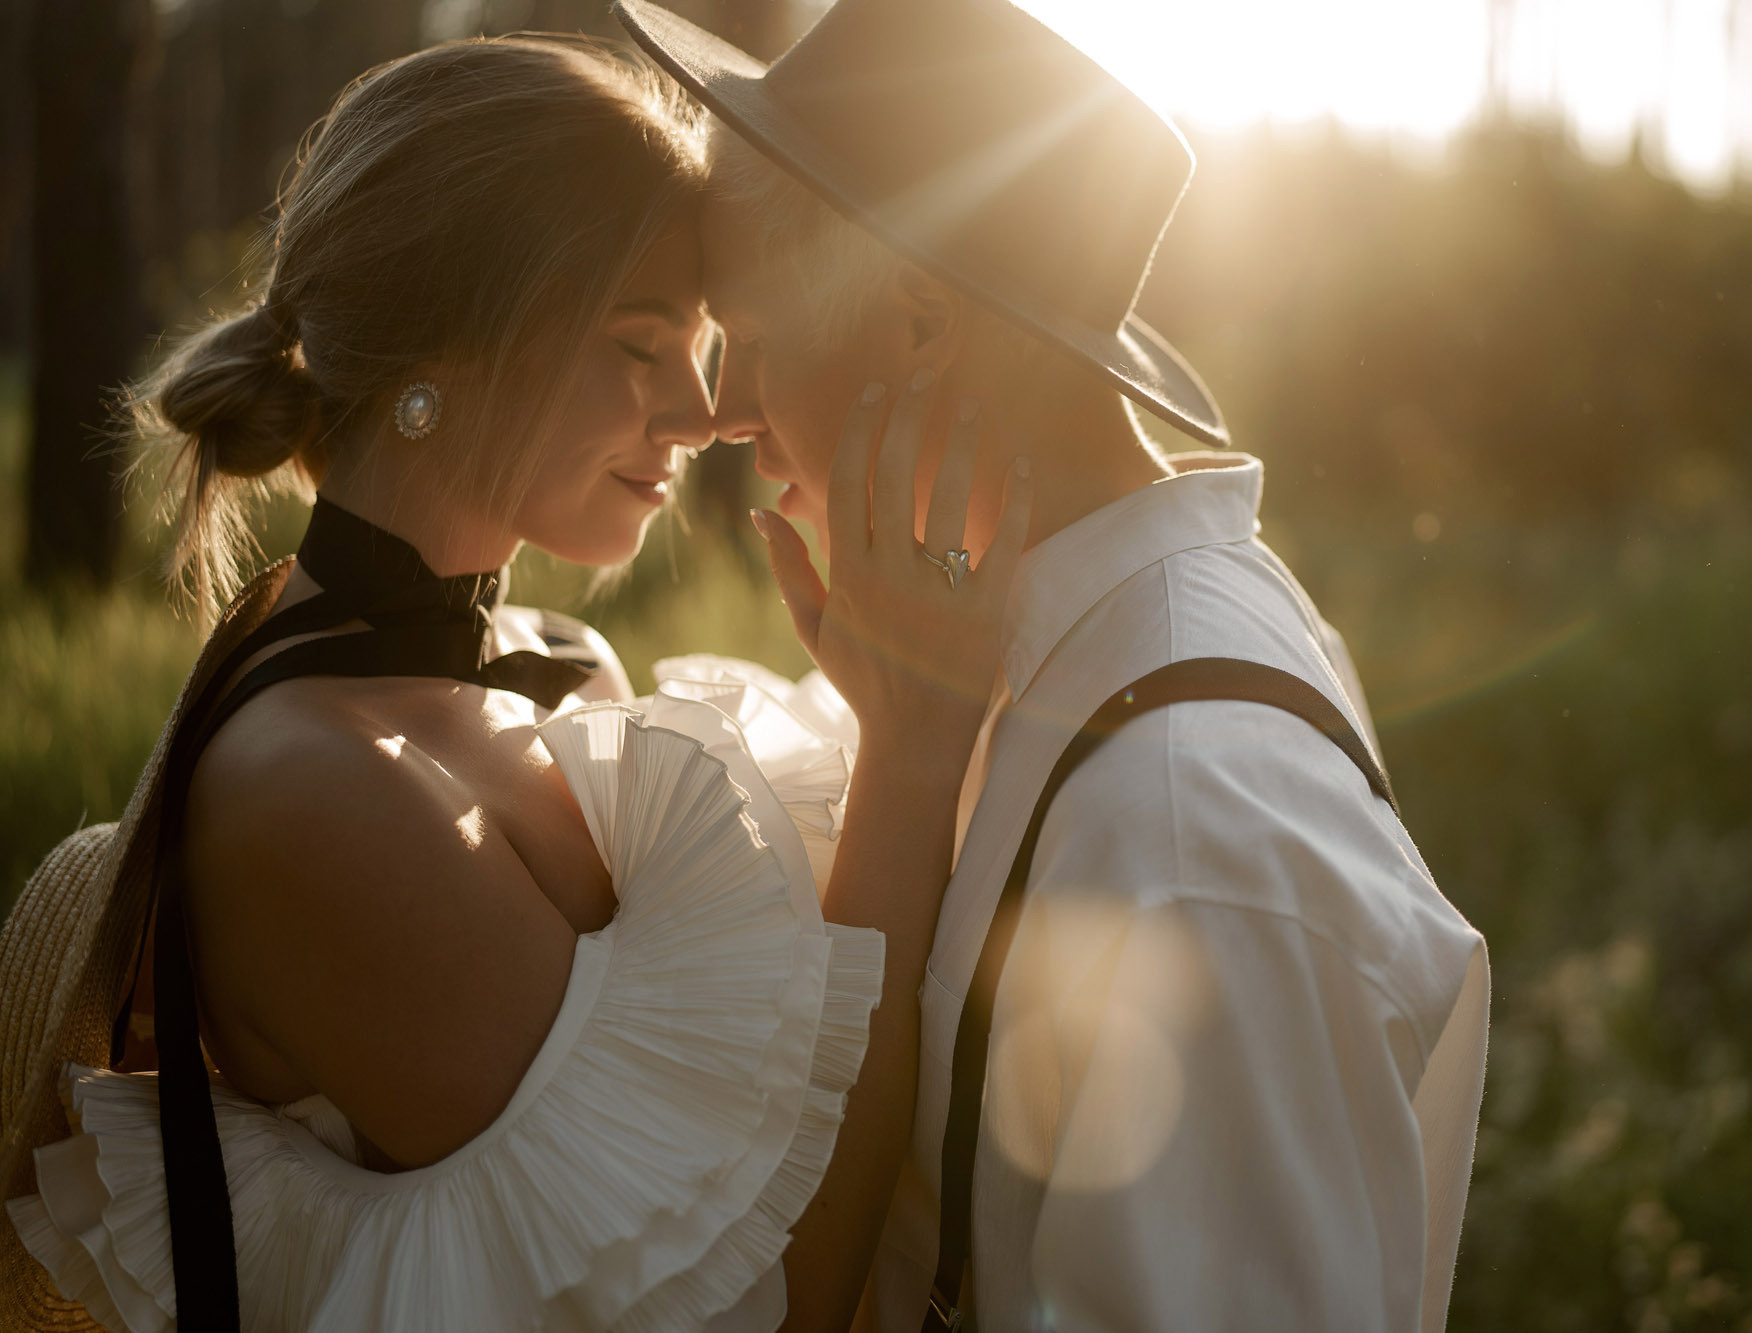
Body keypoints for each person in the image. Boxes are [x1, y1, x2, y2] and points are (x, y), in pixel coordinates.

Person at [0, 34, 1031, 1332]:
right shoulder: (305, 793)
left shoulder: (556, 663)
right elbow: (775, 1305)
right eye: (642, 343)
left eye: (700, 342)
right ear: (449, 345)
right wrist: (913, 755)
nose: (703, 412)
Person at [615, 0, 1493, 1328]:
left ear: (918, 324)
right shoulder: (1034, 665)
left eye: (751, 331)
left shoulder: (1200, 837)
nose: (725, 411)